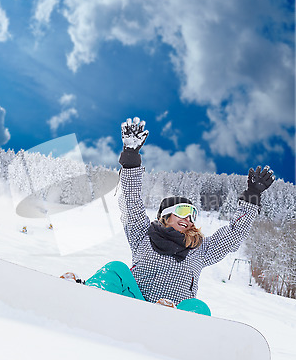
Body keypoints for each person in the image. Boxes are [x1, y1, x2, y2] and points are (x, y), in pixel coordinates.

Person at [84, 117, 275, 313]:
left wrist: (253, 195)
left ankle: (186, 340)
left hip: (174, 318)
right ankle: (83, 301)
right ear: (165, 216)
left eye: (192, 214)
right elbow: (131, 202)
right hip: (132, 306)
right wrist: (131, 158)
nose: (188, 218)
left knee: (198, 307)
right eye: (183, 212)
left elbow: (234, 234)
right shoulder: (143, 234)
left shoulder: (200, 249)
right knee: (116, 269)